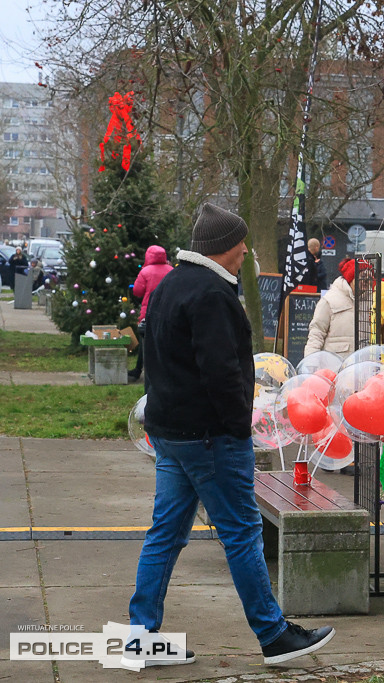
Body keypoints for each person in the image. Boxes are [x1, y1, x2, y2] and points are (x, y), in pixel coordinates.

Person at [130, 203, 333, 667]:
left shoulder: (169, 286)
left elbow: (160, 361)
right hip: (210, 437)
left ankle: (141, 636)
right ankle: (273, 635)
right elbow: (222, 374)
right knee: (242, 533)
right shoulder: (213, 294)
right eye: (240, 245)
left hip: (171, 433)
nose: (245, 252)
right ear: (223, 248)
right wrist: (240, 425)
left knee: (166, 533)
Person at [304, 258, 367, 361]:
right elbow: (316, 333)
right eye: (362, 277)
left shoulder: (372, 300)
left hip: (363, 369)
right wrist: (311, 363)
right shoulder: (329, 300)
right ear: (351, 278)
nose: (365, 282)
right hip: (334, 368)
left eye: (369, 277)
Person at [127, 245, 174, 382]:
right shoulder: (171, 270)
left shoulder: (145, 272)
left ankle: (142, 373)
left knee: (146, 344)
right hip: (168, 312)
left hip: (149, 312)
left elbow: (137, 291)